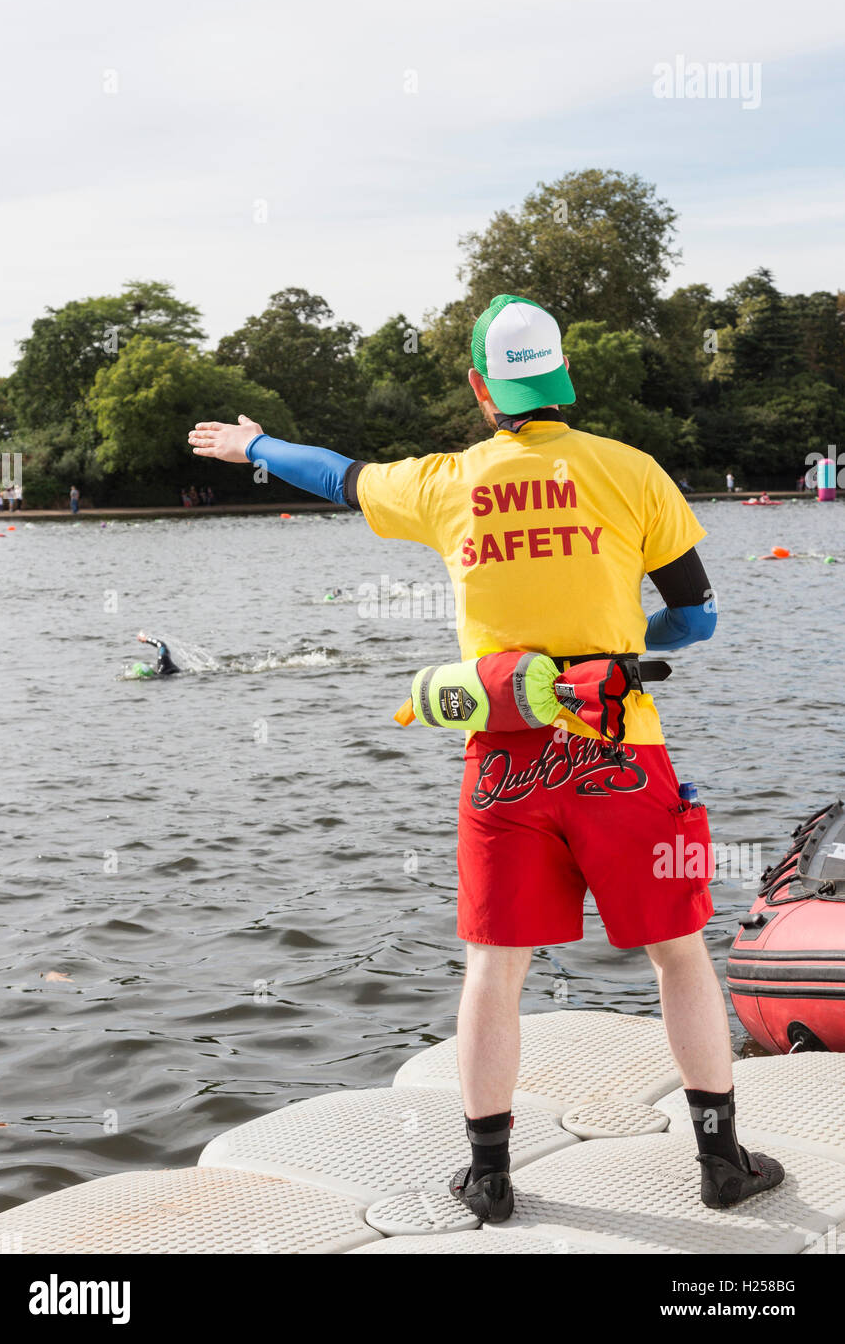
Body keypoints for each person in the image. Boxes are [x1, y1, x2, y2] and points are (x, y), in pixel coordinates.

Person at [188, 291, 784, 1220]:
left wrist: (254, 446)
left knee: (494, 968)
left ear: (480, 387)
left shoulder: (446, 481)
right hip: (622, 755)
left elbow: (342, 475)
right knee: (678, 954)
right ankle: (720, 1165)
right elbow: (698, 616)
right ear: (564, 380)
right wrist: (631, 639)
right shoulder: (632, 471)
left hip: (503, 763)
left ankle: (492, 1179)